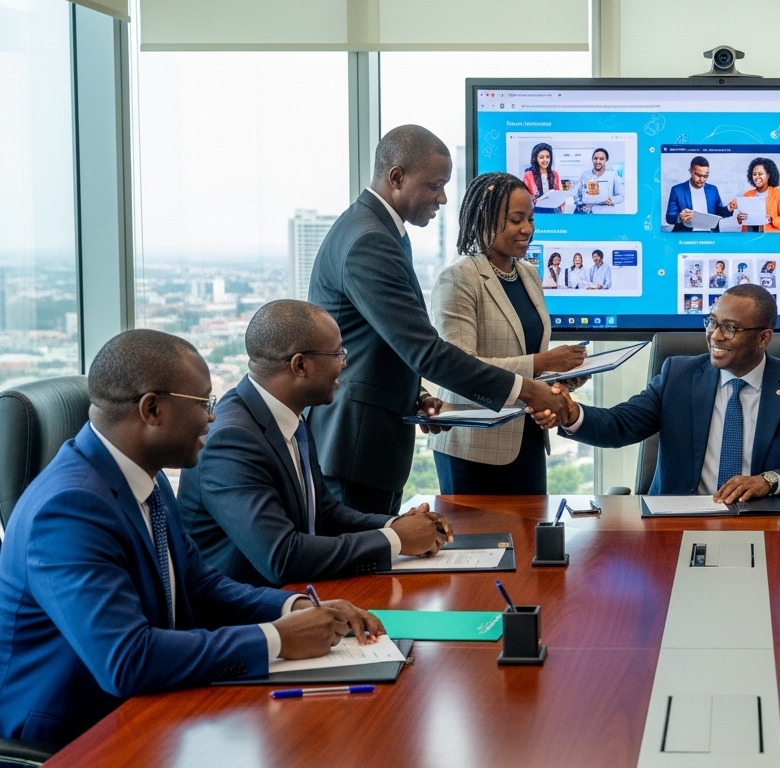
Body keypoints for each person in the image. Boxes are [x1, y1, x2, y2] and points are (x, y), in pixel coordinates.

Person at [0, 330, 383, 746]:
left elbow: (199, 584)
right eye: (204, 403)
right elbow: (127, 660)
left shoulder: (146, 476)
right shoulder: (70, 508)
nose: (213, 417)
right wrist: (277, 639)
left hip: (152, 711)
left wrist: (294, 606)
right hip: (77, 736)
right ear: (151, 409)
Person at [306, 125, 567, 515]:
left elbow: (383, 345)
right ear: (397, 178)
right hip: (355, 443)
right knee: (362, 568)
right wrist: (527, 390)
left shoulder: (380, 232)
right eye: (435, 186)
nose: (444, 197)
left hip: (370, 440)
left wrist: (418, 398)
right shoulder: (370, 241)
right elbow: (425, 352)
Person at [178, 300, 452, 587]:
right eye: (337, 353)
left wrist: (395, 525)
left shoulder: (290, 414)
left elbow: (325, 513)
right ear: (300, 365)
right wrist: (396, 540)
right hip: (244, 616)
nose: (344, 363)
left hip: (298, 597)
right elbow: (281, 557)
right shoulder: (231, 439)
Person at [545, 285, 780, 500]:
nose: (715, 336)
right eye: (712, 322)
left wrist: (769, 481)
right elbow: (620, 425)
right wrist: (572, 415)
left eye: (730, 328)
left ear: (763, 338)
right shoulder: (679, 375)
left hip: (762, 521)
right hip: (677, 520)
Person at [429, 173, 589, 494]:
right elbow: (458, 367)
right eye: (516, 220)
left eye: (530, 218)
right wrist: (542, 362)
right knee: (485, 543)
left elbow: (528, 351)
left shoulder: (528, 273)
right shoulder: (459, 279)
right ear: (485, 220)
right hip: (474, 445)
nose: (527, 228)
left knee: (529, 540)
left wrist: (565, 373)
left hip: (528, 433)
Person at [665, 156, 735, 232]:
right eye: (698, 175)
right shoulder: (677, 190)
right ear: (690, 171)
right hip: (686, 236)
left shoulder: (713, 190)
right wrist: (679, 217)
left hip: (709, 235)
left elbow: (719, 213)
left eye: (705, 176)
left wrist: (729, 208)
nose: (701, 179)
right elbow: (669, 217)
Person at [735, 157, 780, 233]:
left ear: (768, 175)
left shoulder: (778, 193)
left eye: (760, 174)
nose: (757, 177)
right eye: (754, 174)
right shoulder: (747, 194)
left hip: (769, 238)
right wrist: (739, 218)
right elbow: (743, 219)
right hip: (749, 236)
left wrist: (772, 219)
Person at [574, 148, 625, 213]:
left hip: (606, 212)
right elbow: (578, 195)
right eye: (595, 158)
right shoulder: (585, 175)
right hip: (588, 213)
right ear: (592, 160)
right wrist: (581, 203)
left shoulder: (612, 175)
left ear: (606, 160)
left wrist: (611, 200)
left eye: (601, 159)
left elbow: (621, 196)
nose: (598, 161)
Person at [523, 142, 565, 213]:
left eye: (547, 157)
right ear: (536, 159)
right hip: (535, 211)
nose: (545, 160)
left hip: (552, 211)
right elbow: (525, 197)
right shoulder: (528, 175)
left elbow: (558, 193)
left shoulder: (554, 174)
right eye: (541, 157)